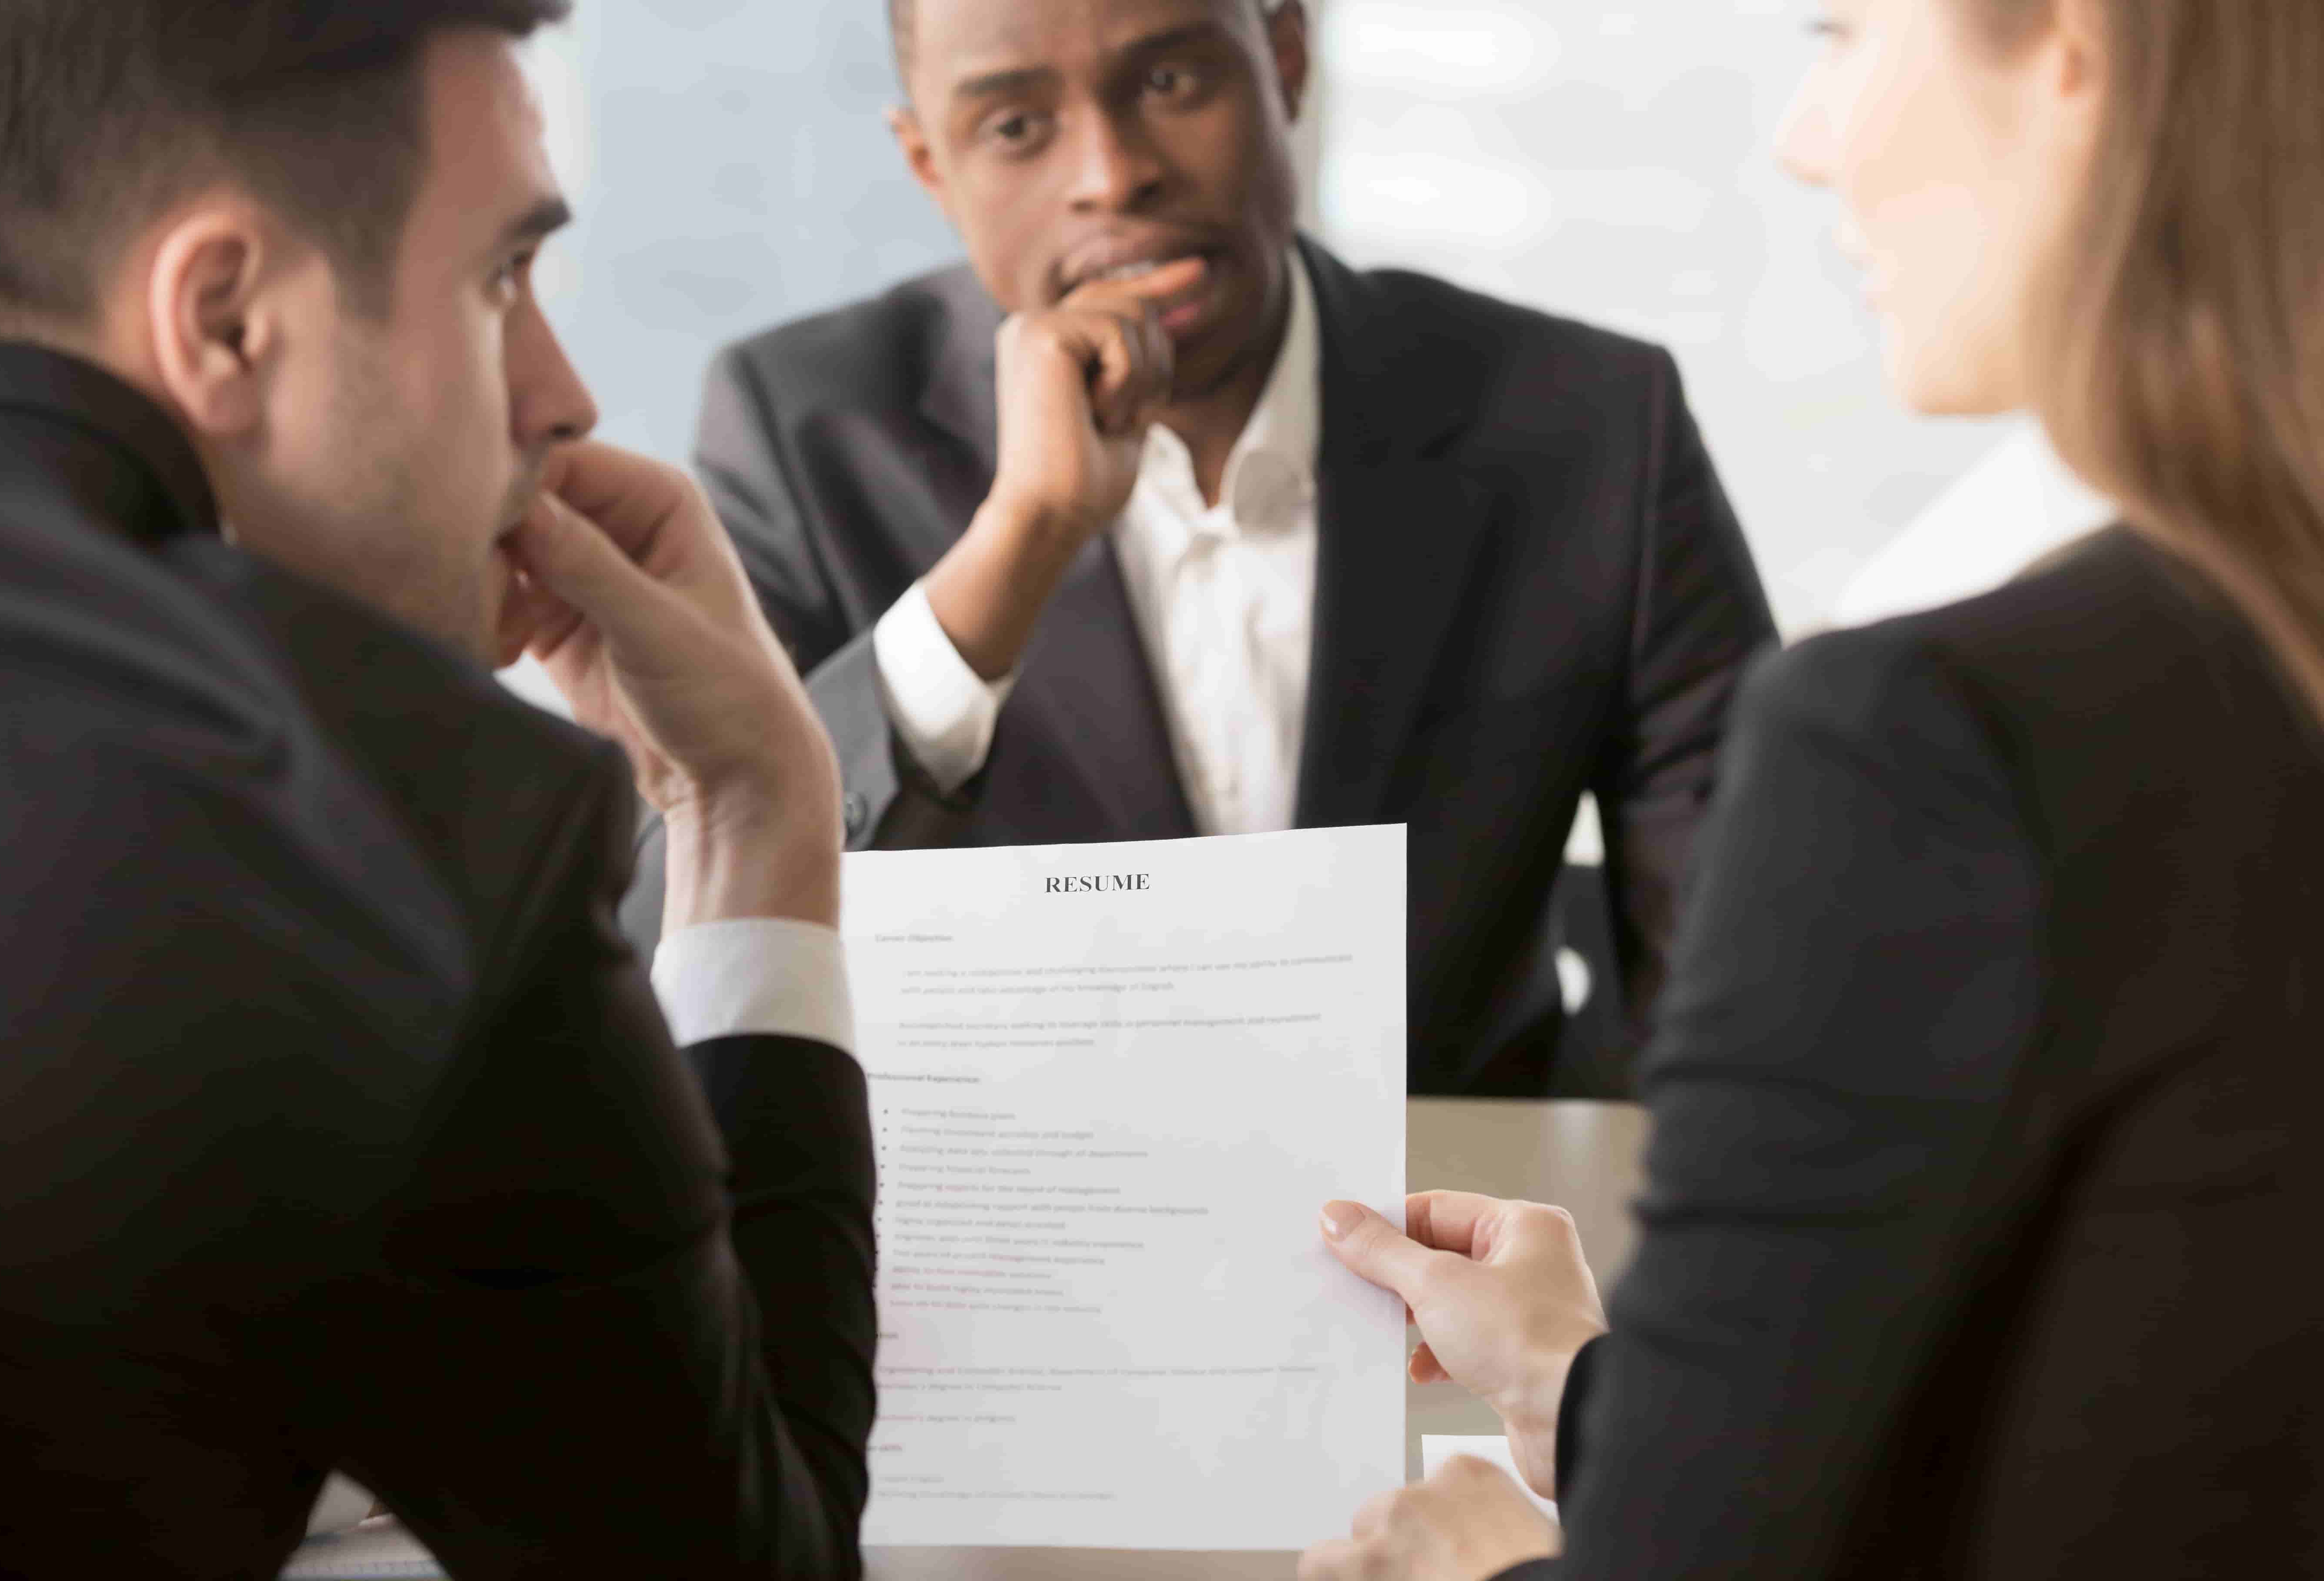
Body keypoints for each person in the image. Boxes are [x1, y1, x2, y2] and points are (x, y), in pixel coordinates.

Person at [1303, 0, 2324, 1575]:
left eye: (1843, 34)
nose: (1805, 138)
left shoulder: (1930, 739)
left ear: (2072, 46)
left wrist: (1479, 1567)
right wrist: (1585, 1389)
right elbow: (2135, 1417)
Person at [0, 4, 878, 1575]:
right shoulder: (402, 830)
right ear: (229, 317)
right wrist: (758, 812)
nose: (565, 396)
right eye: (502, 277)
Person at [631, 0, 1781, 1096]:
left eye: (1172, 80)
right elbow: (669, 932)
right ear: (932, 164)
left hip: (1461, 1235)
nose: (1113, 174)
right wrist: (1016, 549)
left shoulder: (1590, 424)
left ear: (1285, 59)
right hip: (1004, 1251)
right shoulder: (800, 427)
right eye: (1016, 126)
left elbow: (1751, 984)